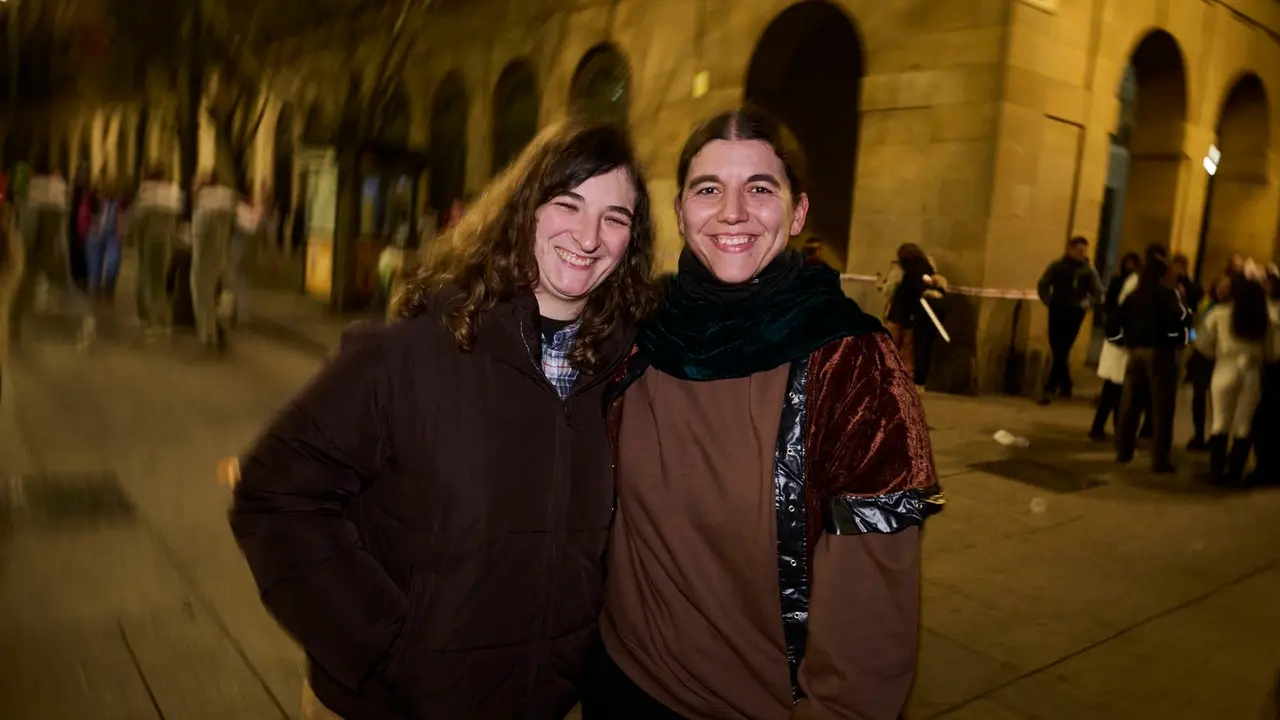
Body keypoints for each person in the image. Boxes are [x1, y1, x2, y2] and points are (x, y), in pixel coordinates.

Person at [229, 120, 658, 720]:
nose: (588, 236)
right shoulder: (412, 352)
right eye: (567, 203)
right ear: (523, 208)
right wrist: (382, 643)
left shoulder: (620, 374)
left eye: (615, 217)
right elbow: (275, 495)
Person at [583, 108, 941, 720]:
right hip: (620, 681)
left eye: (759, 188)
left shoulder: (852, 366)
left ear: (797, 212)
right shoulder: (638, 331)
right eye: (708, 189)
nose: (731, 212)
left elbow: (870, 628)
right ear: (679, 211)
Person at [1112, 255, 1190, 473]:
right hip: (1161, 354)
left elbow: (1114, 321)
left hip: (1135, 353)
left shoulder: (1134, 296)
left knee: (1130, 405)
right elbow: (1183, 322)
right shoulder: (1168, 296)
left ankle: (1123, 451)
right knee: (1161, 408)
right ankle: (1159, 459)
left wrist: (1125, 342)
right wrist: (1184, 341)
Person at [9, 157, 95, 350]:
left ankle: (13, 328)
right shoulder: (60, 190)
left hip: (37, 251)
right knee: (66, 287)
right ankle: (84, 318)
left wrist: (23, 251)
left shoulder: (36, 190)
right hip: (56, 250)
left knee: (22, 289)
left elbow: (30, 227)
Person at [1195, 275, 1271, 485]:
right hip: (1252, 371)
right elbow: (1272, 352)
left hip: (1225, 367)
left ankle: (1216, 471)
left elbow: (1201, 342)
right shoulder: (1263, 319)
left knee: (1220, 422)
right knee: (1243, 424)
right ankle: (1235, 473)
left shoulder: (1220, 314)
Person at [1037, 236, 1103, 402]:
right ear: (1070, 249)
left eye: (1083, 250)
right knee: (1057, 346)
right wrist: (1049, 300)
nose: (1081, 253)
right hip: (1057, 309)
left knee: (1063, 347)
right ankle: (1065, 384)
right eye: (1078, 250)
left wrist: (1085, 304)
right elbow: (1043, 284)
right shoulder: (1058, 267)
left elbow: (1098, 293)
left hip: (1075, 313)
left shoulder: (1088, 271)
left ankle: (1050, 387)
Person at [1090, 251, 1141, 440]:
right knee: (1115, 393)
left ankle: (1106, 428)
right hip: (1119, 350)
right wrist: (1123, 341)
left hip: (1120, 349)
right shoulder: (1127, 299)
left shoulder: (1128, 299)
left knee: (1114, 392)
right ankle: (1111, 430)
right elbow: (1113, 323)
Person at [885, 242, 947, 390]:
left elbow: (890, 288)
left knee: (891, 345)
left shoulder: (901, 268)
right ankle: (907, 379)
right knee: (909, 348)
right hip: (916, 312)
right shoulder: (928, 268)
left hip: (898, 311)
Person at [130, 167, 183, 334]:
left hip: (150, 242)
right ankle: (159, 319)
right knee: (159, 281)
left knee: (149, 280)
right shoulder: (173, 194)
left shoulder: (146, 193)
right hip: (166, 243)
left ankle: (153, 320)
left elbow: (138, 221)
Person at [190, 178, 238, 351]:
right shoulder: (224, 204)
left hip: (204, 259)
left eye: (195, 185)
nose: (192, 189)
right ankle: (222, 324)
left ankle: (207, 334)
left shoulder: (203, 207)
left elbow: (199, 237)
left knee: (202, 295)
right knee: (223, 292)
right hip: (222, 256)